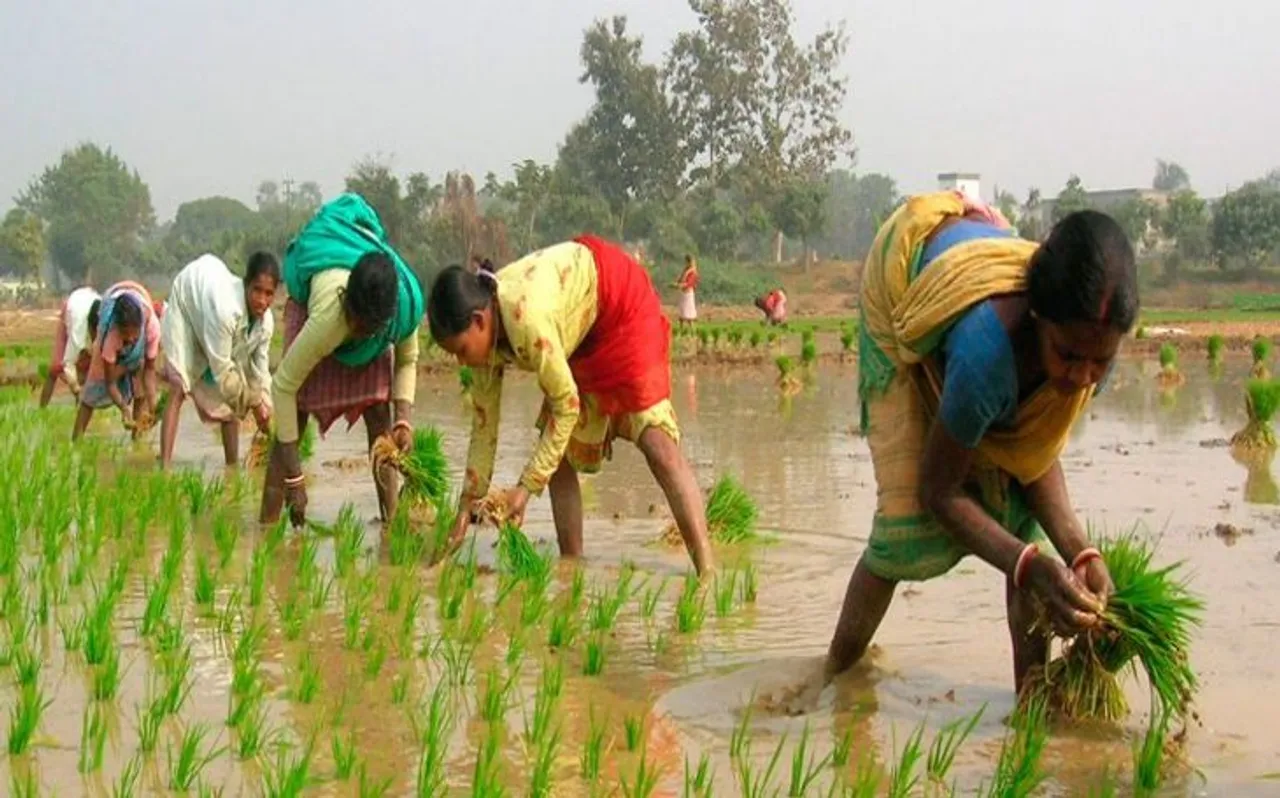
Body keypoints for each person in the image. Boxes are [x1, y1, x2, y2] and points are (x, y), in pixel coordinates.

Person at [823, 191, 1137, 696]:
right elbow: (938, 491)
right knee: (901, 530)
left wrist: (1081, 556)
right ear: (1039, 318)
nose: (1083, 376)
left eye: (1099, 362)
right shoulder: (985, 354)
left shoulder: (1092, 336)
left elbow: (1032, 454)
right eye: (1068, 355)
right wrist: (1027, 565)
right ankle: (833, 678)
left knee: (1020, 520)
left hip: (975, 264)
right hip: (901, 277)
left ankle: (1031, 703)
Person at [428, 236, 713, 575]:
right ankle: (571, 567)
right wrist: (466, 506)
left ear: (479, 320)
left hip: (621, 307)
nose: (461, 362)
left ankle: (707, 569)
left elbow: (567, 407)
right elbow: (483, 427)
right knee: (558, 457)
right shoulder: (487, 341)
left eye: (461, 350)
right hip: (578, 332)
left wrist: (525, 489)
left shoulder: (526, 320)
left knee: (657, 444)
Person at [259, 193, 426, 527]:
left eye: (363, 327)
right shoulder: (330, 316)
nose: (354, 329)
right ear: (347, 298)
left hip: (368, 327)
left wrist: (404, 421)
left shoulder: (402, 306)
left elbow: (407, 359)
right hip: (317, 314)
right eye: (353, 320)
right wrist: (295, 478)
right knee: (296, 417)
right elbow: (283, 387)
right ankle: (266, 529)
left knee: (379, 412)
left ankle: (391, 525)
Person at [159, 252, 279, 469]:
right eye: (257, 290)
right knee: (179, 385)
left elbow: (260, 371)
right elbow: (222, 372)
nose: (262, 300)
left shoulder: (266, 324)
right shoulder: (227, 310)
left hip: (210, 303)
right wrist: (255, 403)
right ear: (246, 285)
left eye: (269, 293)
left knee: (236, 391)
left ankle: (231, 468)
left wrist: (267, 408)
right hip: (188, 301)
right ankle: (164, 467)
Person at [72, 281, 161, 440]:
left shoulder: (151, 328)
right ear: (118, 328)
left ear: (141, 327)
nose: (131, 339)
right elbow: (110, 382)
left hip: (137, 353)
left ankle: (137, 441)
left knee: (140, 389)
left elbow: (149, 371)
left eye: (135, 335)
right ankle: (75, 443)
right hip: (111, 352)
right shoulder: (110, 336)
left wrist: (154, 404)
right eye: (126, 335)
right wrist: (124, 407)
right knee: (90, 395)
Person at [40, 285, 101, 407]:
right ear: (90, 328)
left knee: (88, 366)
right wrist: (75, 388)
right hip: (72, 307)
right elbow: (68, 363)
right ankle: (42, 409)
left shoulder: (107, 324)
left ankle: (82, 405)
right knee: (56, 367)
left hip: (91, 300)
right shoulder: (77, 331)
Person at [674, 254, 699, 327]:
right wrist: (677, 284)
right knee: (682, 312)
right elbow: (680, 279)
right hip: (683, 293)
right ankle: (681, 329)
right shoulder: (685, 270)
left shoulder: (693, 272)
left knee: (689, 314)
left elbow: (689, 283)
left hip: (688, 293)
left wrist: (679, 285)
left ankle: (692, 330)